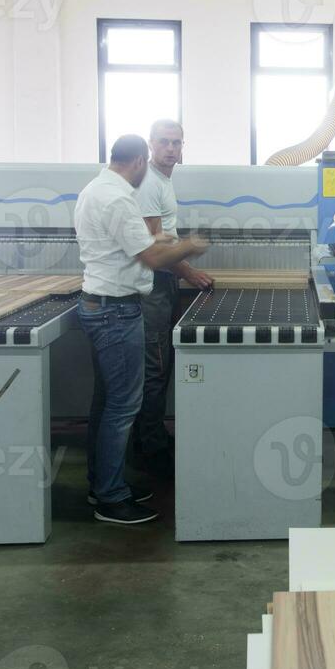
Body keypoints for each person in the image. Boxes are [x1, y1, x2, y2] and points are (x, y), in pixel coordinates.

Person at [75, 134, 208, 526]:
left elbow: (136, 242)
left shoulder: (96, 189)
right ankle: (111, 498)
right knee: (122, 408)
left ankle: (103, 484)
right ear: (137, 162)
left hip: (102, 306)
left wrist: (164, 239)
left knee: (107, 404)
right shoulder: (117, 197)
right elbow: (150, 257)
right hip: (115, 312)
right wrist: (189, 246)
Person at [132, 119, 212, 478]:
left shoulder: (163, 181)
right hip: (151, 289)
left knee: (157, 369)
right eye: (163, 142)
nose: (170, 149)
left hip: (162, 285)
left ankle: (152, 438)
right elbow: (155, 245)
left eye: (176, 143)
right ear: (150, 145)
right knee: (155, 369)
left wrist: (186, 272)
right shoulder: (149, 184)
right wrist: (190, 270)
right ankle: (149, 449)